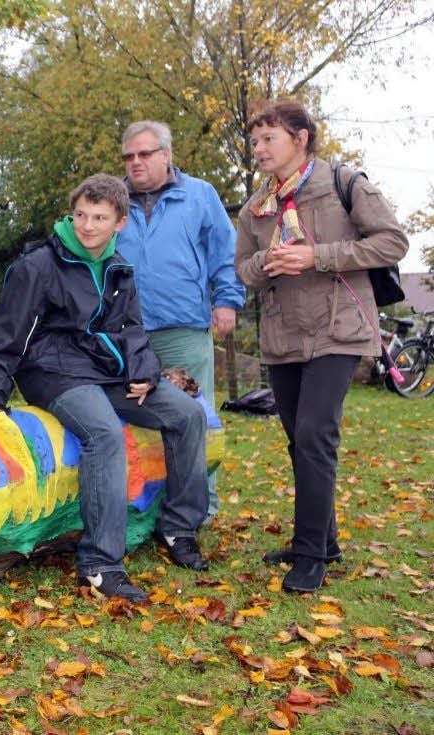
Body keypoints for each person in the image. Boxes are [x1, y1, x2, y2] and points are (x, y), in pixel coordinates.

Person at [0, 173, 211, 603]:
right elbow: (6, 334)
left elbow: (133, 329)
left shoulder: (119, 266)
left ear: (119, 222)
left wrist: (144, 371)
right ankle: (100, 565)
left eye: (99, 217)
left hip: (106, 371)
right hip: (52, 372)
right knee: (103, 431)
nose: (87, 225)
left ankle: (179, 528)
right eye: (81, 214)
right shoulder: (39, 265)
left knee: (188, 414)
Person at [235, 101, 408, 593]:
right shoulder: (257, 206)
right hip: (282, 334)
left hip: (339, 329)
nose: (260, 149)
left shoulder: (343, 184)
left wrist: (318, 257)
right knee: (298, 438)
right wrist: (267, 262)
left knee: (314, 434)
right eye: (255, 141)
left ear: (301, 137)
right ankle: (323, 539)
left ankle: (310, 554)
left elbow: (392, 242)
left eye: (270, 138)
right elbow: (242, 269)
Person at [117, 121, 246, 522]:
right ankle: (144, 504)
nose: (135, 162)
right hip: (126, 333)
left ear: (166, 155)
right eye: (128, 156)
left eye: (145, 154)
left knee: (195, 415)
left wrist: (226, 301)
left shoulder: (199, 195)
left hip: (182, 326)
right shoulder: (114, 198)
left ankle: (199, 506)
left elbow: (225, 252)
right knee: (132, 417)